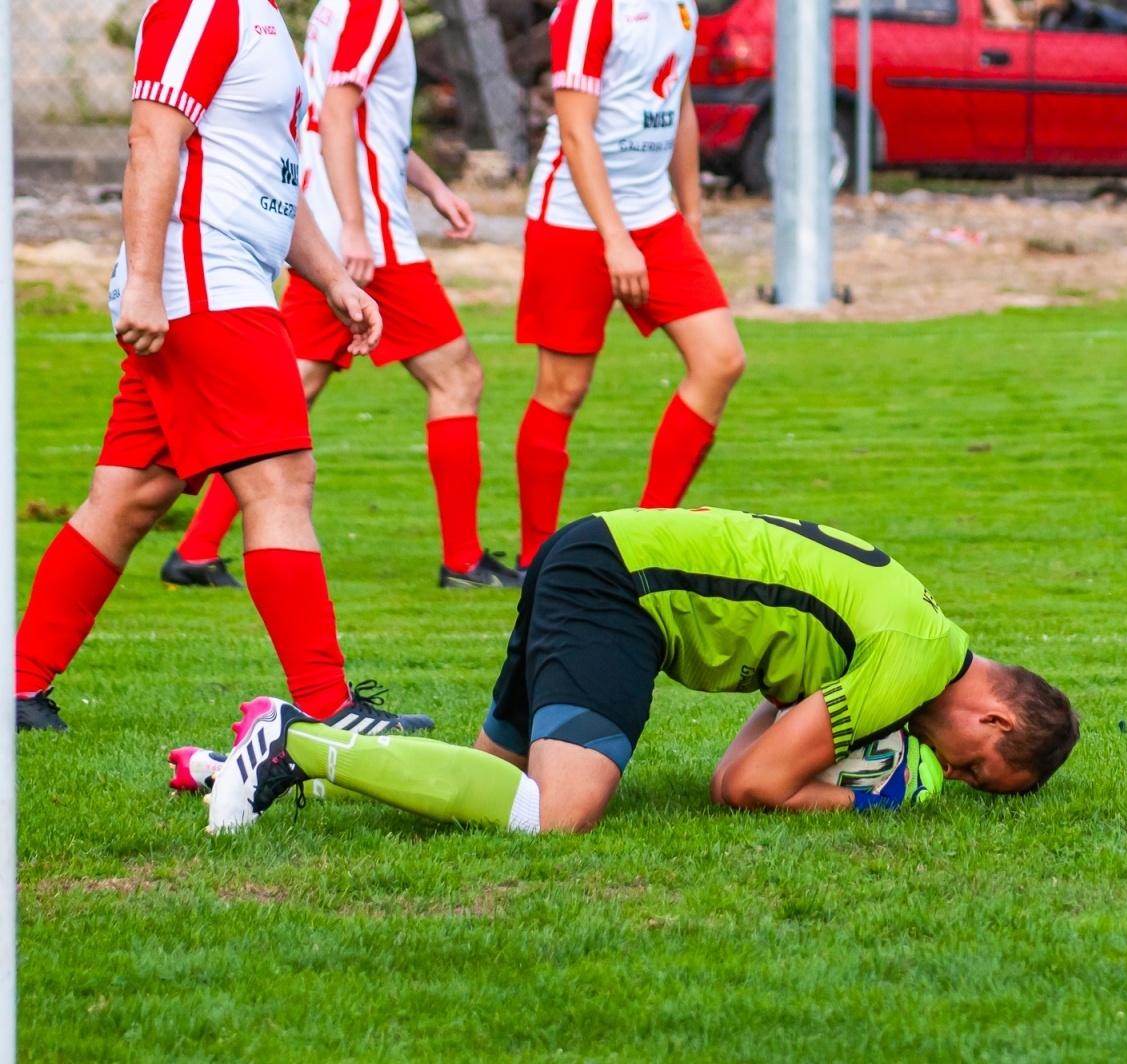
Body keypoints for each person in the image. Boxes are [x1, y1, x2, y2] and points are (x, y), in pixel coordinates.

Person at [14, 0, 430, 736]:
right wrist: (144, 282)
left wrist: (333, 279)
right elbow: (151, 139)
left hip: (217, 279)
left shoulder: (258, 16)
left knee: (131, 493)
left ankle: (16, 686)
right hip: (202, 282)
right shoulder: (201, 6)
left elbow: (271, 176)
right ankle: (331, 708)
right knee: (280, 481)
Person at [206, 507, 1080, 834]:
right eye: (971, 765)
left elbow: (735, 775)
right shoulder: (912, 662)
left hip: (598, 553)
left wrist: (810, 759)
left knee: (489, 791)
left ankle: (241, 766)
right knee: (558, 816)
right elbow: (751, 790)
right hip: (618, 587)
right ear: (996, 718)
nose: (951, 770)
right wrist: (872, 798)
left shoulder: (916, 638)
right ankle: (290, 742)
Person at [160, 0, 520, 591]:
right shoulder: (371, 7)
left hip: (326, 228)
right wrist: (354, 226)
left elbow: (372, 126)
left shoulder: (339, 8)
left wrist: (432, 188)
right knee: (457, 379)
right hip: (368, 242)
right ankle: (463, 561)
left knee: (289, 391)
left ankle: (195, 550)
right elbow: (337, 111)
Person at [513, 0, 747, 570]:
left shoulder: (681, 7)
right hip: (573, 220)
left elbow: (680, 104)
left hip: (653, 218)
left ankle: (643, 541)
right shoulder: (589, 11)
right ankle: (534, 560)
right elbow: (574, 131)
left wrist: (689, 213)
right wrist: (614, 237)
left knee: (721, 360)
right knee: (563, 388)